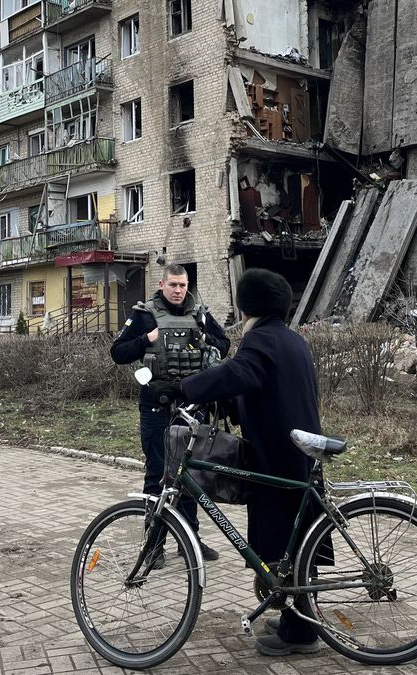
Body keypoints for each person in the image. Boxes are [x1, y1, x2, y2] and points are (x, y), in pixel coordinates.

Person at [151, 268, 325, 657]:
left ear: (247, 305)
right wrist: (230, 402)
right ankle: (299, 619)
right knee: (293, 542)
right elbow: (262, 384)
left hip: (279, 455)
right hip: (294, 450)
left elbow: (239, 372)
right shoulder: (290, 339)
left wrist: (183, 387)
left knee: (286, 544)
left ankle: (301, 634)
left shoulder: (259, 339)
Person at [110, 264, 230, 564]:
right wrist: (145, 340)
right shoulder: (144, 314)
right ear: (161, 284)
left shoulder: (199, 314)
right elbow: (118, 352)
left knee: (190, 476)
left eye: (183, 285)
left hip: (192, 409)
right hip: (155, 407)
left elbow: (224, 345)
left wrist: (205, 342)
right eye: (173, 285)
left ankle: (190, 542)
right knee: (157, 476)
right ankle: (153, 546)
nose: (178, 291)